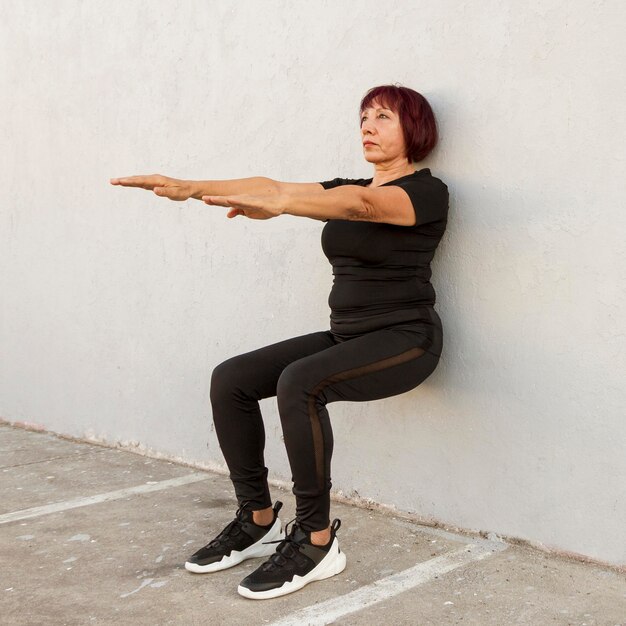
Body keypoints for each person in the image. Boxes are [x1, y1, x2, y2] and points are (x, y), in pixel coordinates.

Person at [110, 83, 448, 600]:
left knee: (301, 382)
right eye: (363, 116)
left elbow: (360, 205)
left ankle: (316, 540)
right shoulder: (341, 186)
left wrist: (284, 203)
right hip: (347, 335)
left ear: (415, 129)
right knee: (232, 380)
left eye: (383, 116)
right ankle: (258, 518)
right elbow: (272, 185)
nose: (368, 126)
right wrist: (189, 186)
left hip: (406, 340)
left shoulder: (426, 192)